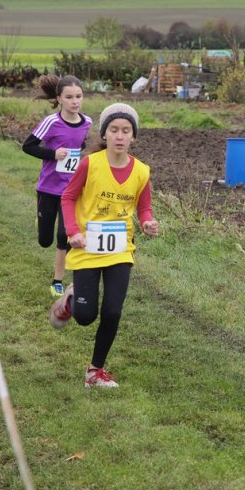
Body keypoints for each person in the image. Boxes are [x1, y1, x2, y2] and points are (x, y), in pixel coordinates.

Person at [50, 103, 159, 388]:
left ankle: (95, 371)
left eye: (126, 131)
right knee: (86, 317)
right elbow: (68, 197)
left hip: (120, 250)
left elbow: (144, 208)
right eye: (114, 130)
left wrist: (147, 222)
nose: (120, 136)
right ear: (104, 134)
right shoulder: (90, 164)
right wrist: (73, 231)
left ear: (133, 136)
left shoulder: (142, 171)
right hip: (87, 247)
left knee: (112, 311)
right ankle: (71, 300)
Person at [22, 74, 92, 297]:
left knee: (64, 236)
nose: (75, 101)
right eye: (69, 97)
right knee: (45, 240)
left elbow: (81, 145)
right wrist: (53, 154)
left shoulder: (87, 123)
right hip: (48, 188)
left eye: (79, 96)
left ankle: (57, 281)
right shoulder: (51, 122)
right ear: (59, 98)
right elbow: (28, 146)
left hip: (70, 191)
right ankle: (41, 220)